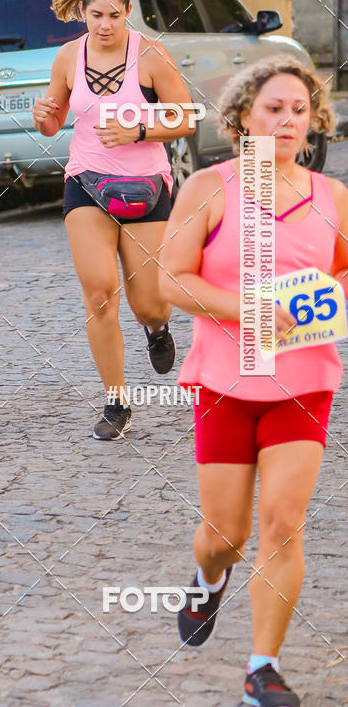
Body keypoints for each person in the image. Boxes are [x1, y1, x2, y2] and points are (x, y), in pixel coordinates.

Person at [160, 56, 347, 706]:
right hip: (226, 382)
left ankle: (260, 669)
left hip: (305, 379)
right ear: (243, 116)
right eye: (274, 108)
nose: (288, 121)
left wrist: (319, 301)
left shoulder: (333, 198)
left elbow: (346, 274)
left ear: (314, 120)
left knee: (283, 524)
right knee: (226, 535)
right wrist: (254, 311)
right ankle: (209, 579)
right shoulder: (208, 188)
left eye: (299, 110)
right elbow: (172, 279)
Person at [33, 0, 194, 440]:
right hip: (86, 183)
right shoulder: (67, 57)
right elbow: (52, 124)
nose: (105, 24)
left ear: (128, 12)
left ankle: (157, 330)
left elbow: (186, 118)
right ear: (83, 11)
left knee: (150, 304)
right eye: (96, 15)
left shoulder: (151, 56)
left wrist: (139, 129)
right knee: (100, 293)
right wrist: (44, 114)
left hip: (147, 187)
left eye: (114, 15)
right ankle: (116, 402)